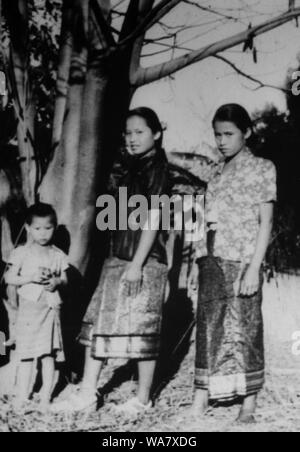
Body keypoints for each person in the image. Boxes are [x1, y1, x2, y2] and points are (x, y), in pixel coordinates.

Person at [52, 107, 169, 415]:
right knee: (99, 324)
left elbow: (154, 218)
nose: (132, 139)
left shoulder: (157, 167)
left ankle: (143, 399)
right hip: (118, 258)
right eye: (128, 133)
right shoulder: (128, 167)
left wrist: (136, 264)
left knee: (143, 331)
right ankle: (88, 392)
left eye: (139, 132)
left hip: (143, 261)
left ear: (156, 134)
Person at [189, 104, 277, 423]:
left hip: (242, 258)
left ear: (247, 133)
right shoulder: (214, 171)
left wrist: (254, 267)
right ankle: (201, 397)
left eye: (229, 134)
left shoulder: (262, 168)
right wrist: (196, 262)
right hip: (211, 257)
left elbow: (265, 222)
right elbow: (199, 219)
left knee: (246, 328)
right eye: (217, 134)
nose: (222, 141)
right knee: (209, 328)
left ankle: (248, 405)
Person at [5, 203, 68, 411]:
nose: (43, 233)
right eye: (37, 228)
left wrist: (56, 282)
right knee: (25, 355)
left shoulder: (57, 254)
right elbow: (9, 277)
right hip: (29, 312)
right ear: (28, 228)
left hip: (50, 309)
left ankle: (45, 398)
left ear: (55, 227)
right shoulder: (22, 252)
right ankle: (23, 396)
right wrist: (31, 277)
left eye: (48, 228)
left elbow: (65, 279)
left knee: (48, 355)